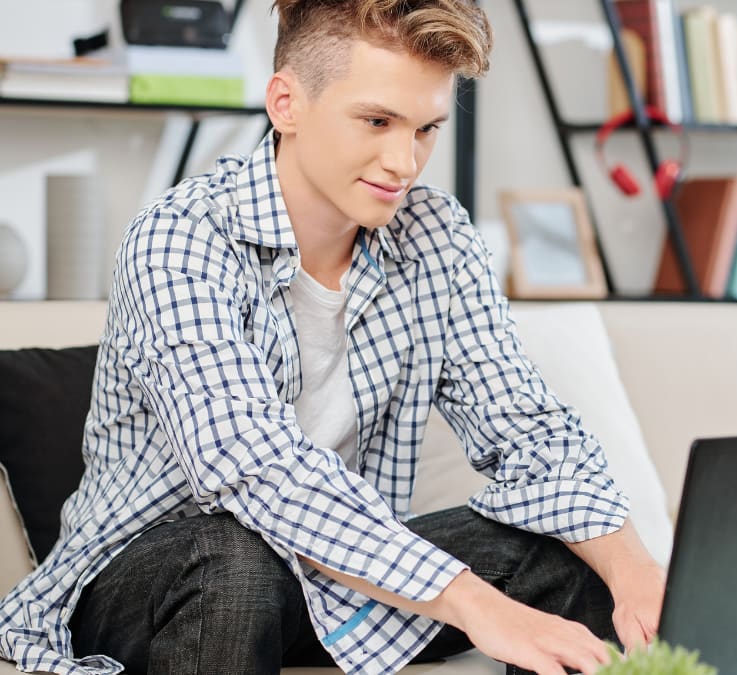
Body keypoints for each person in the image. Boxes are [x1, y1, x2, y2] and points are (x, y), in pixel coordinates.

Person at [0, 1, 666, 673]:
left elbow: (530, 429)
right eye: (376, 121)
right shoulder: (180, 239)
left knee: (559, 551)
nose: (404, 161)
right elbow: (257, 469)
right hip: (150, 585)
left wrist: (634, 569)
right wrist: (478, 606)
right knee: (234, 553)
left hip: (330, 577)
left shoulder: (435, 237)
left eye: (426, 128)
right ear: (286, 103)